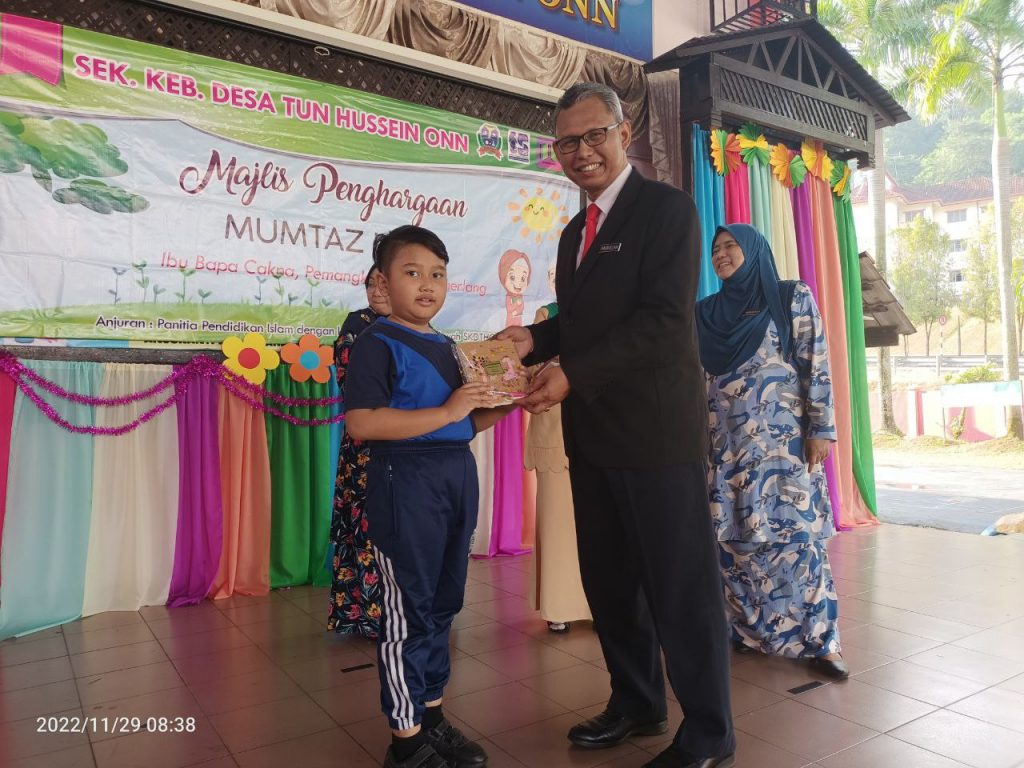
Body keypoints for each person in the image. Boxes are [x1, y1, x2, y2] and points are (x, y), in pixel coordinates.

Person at [497, 82, 735, 768]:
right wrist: (536, 340)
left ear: (623, 133)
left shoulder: (666, 210)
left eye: (594, 135)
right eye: (567, 142)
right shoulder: (575, 232)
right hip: (593, 434)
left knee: (680, 587)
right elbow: (587, 323)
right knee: (610, 581)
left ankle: (710, 733)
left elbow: (663, 320)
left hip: (656, 436)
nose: (582, 151)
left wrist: (572, 372)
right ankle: (637, 701)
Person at [345, 225, 511, 768]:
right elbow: (362, 423)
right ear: (382, 282)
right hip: (405, 483)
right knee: (408, 613)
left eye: (437, 274)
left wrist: (510, 401)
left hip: (455, 477)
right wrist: (448, 411)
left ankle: (432, 716)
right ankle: (406, 742)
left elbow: (464, 424)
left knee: (444, 603)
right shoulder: (376, 343)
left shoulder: (449, 347)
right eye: (412, 272)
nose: (427, 285)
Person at [696, 223, 848, 679]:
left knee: (799, 543)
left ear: (754, 250)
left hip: (783, 450)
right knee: (735, 545)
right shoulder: (705, 313)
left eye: (731, 245)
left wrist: (821, 428)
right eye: (715, 248)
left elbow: (815, 362)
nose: (721, 254)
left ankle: (822, 642)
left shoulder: (788, 296)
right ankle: (750, 632)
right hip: (725, 450)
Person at [328, 264, 390, 639]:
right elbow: (351, 382)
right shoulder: (358, 324)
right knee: (365, 528)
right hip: (367, 447)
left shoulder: (414, 325)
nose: (377, 290)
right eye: (371, 284)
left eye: (384, 283)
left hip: (406, 445)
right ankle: (367, 615)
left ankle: (405, 612)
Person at [523, 303, 591, 634]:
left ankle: (600, 606)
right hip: (554, 430)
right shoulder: (547, 315)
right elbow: (530, 371)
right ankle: (559, 606)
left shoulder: (609, 312)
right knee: (557, 522)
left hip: (599, 431)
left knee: (597, 526)